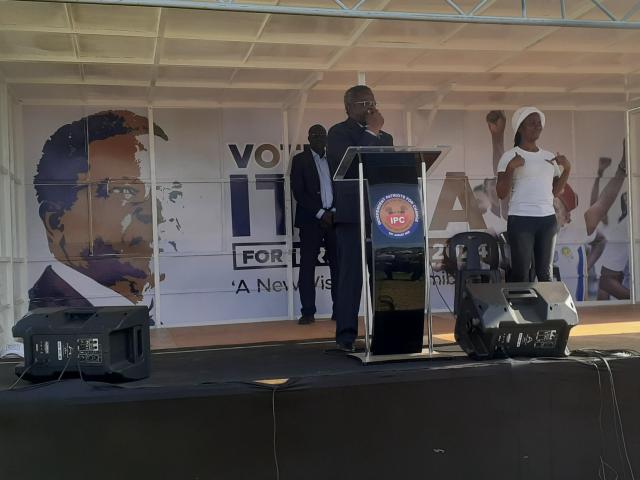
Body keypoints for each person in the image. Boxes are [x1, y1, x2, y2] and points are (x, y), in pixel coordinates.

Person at [28, 110, 168, 318]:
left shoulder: (151, 307)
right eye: (125, 190)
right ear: (56, 223)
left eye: (169, 194)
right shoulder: (53, 319)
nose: (158, 214)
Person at [327, 85, 393, 352]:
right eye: (362, 102)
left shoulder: (385, 138)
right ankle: (345, 337)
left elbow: (389, 172)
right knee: (350, 280)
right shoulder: (338, 133)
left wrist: (376, 133)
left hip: (380, 217)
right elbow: (351, 164)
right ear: (348, 108)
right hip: (351, 217)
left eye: (372, 101)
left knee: (382, 278)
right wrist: (371, 132)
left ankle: (386, 334)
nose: (369, 107)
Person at [496, 106, 571, 282]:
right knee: (521, 272)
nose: (537, 126)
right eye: (532, 123)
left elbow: (556, 192)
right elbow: (501, 193)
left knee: (545, 273)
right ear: (520, 127)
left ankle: (544, 310)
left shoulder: (548, 157)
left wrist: (567, 168)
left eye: (539, 123)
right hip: (521, 219)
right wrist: (510, 168)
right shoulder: (509, 156)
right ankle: (518, 309)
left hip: (547, 220)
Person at [290, 125, 338, 325]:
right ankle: (308, 312)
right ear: (308, 138)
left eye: (322, 136)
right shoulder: (300, 160)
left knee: (338, 266)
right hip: (311, 220)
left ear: (327, 139)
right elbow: (298, 192)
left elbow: (341, 187)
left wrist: (333, 212)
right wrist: (320, 213)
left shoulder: (334, 160)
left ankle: (340, 310)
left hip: (335, 219)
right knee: (307, 266)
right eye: (315, 135)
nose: (319, 139)